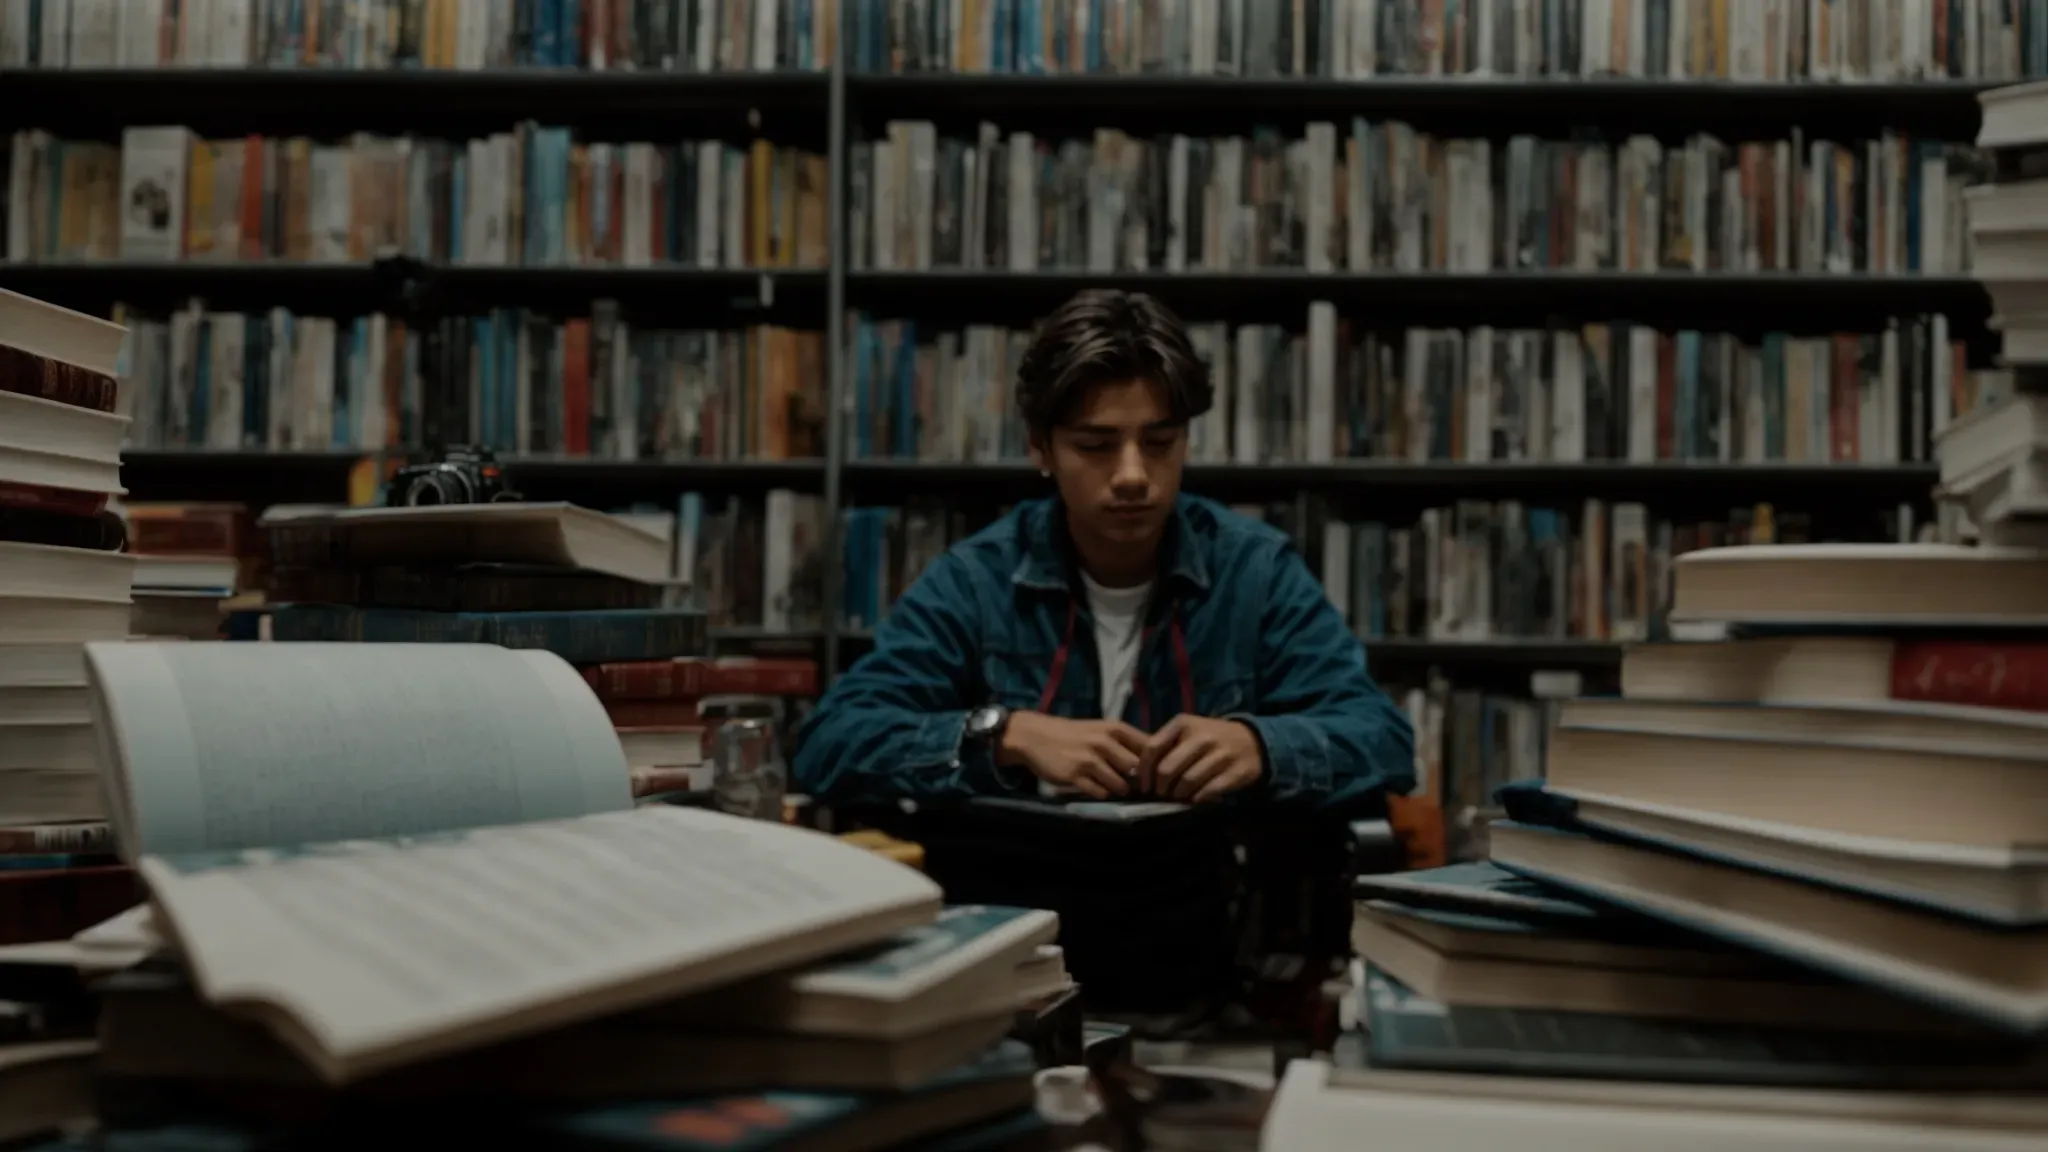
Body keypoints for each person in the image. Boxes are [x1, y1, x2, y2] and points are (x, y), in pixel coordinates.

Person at [794, 289, 1415, 810]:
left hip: (1210, 897)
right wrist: (1006, 735)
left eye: (1160, 442)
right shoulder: (977, 580)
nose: (1132, 475)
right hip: (1025, 893)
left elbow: (1384, 740)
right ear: (1041, 448)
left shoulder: (1255, 570)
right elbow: (829, 742)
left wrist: (1260, 746)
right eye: (1095, 446)